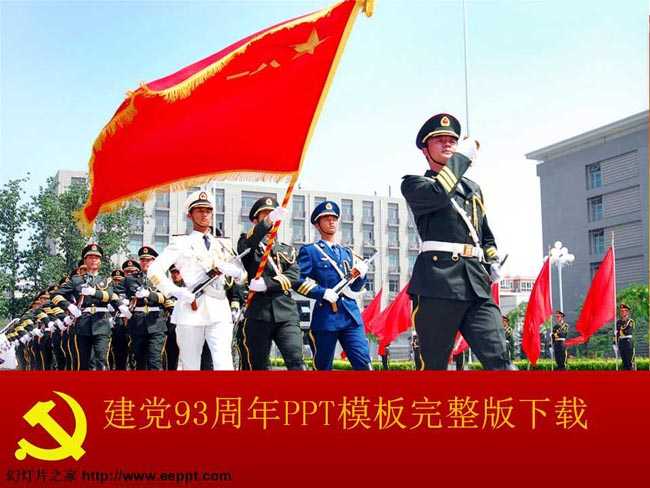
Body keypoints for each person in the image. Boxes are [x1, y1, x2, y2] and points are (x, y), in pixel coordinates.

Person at [401, 113, 511, 370]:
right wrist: (462, 159)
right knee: (434, 366)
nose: (448, 143)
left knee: (501, 361)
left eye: (452, 140)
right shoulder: (415, 184)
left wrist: (492, 259)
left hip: (476, 282)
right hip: (438, 282)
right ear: (425, 149)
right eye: (439, 139)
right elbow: (439, 193)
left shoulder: (473, 188)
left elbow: (485, 234)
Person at [148, 190, 246, 370]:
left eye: (208, 210)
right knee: (190, 364)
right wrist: (175, 291)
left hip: (219, 308)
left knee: (224, 363)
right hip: (191, 308)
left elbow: (243, 276)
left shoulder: (223, 244)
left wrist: (235, 272)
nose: (204, 214)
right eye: (199, 210)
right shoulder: (180, 243)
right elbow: (154, 270)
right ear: (190, 215)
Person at [295, 200, 371, 370]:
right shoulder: (311, 251)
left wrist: (362, 275)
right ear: (317, 224)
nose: (331, 221)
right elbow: (297, 280)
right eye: (326, 218)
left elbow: (354, 288)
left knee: (364, 364)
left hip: (351, 316)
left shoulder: (347, 252)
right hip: (326, 318)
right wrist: (322, 292)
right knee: (323, 367)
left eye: (334, 218)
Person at [237, 197, 305, 370]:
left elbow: (293, 275)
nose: (270, 217)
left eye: (273, 214)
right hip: (258, 314)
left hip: (286, 313)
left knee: (296, 361)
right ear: (255, 221)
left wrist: (267, 283)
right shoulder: (246, 243)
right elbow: (250, 242)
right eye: (265, 215)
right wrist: (267, 222)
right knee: (258, 366)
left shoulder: (287, 250)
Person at [51, 243, 124, 370]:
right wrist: (69, 306)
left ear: (100, 261)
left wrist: (93, 292)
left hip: (101, 324)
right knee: (83, 363)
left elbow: (109, 296)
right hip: (82, 325)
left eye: (96, 257)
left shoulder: (106, 281)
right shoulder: (76, 280)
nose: (94, 260)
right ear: (85, 260)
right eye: (90, 257)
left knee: (101, 361)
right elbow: (55, 295)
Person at [122, 247, 168, 370]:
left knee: (155, 360)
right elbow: (117, 292)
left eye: (148, 260)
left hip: (156, 323)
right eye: (143, 260)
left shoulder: (160, 278)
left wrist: (149, 295)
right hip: (137, 324)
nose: (145, 262)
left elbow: (166, 297)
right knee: (139, 361)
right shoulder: (131, 279)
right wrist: (122, 305)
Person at [616, 303, 635, 370]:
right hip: (621, 342)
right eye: (621, 311)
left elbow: (627, 332)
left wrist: (620, 331)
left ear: (627, 312)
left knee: (629, 362)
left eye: (624, 311)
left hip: (628, 342)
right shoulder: (618, 322)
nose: (622, 312)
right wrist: (615, 342)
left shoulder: (630, 321)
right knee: (624, 363)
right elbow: (617, 333)